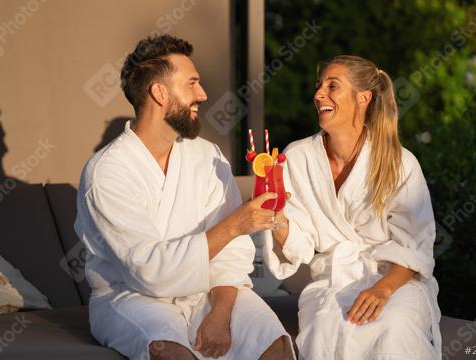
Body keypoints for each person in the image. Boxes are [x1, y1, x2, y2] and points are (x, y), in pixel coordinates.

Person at [74, 34, 294, 360]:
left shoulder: (207, 156)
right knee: (172, 352)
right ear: (159, 93)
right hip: (131, 298)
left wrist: (220, 313)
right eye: (192, 83)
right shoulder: (107, 173)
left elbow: (231, 257)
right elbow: (151, 272)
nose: (202, 95)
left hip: (207, 292)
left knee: (273, 344)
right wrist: (234, 224)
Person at [262, 55, 441, 359]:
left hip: (395, 281)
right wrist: (273, 217)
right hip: (332, 281)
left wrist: (382, 290)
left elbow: (415, 245)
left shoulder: (399, 162)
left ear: (363, 98)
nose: (319, 95)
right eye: (319, 87)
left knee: (394, 327)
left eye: (332, 86)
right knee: (327, 329)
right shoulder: (298, 157)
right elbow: (300, 244)